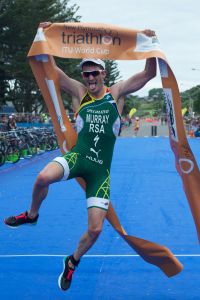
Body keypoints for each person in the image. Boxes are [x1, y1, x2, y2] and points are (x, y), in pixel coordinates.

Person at [4, 22, 156, 292]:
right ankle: (32, 214)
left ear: (103, 73)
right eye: (86, 73)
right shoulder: (79, 93)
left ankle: (72, 261)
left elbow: (148, 74)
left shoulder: (116, 94)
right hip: (77, 159)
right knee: (41, 178)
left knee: (96, 230)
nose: (89, 78)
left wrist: (151, 46)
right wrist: (44, 37)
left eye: (94, 72)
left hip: (99, 172)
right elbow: (51, 70)